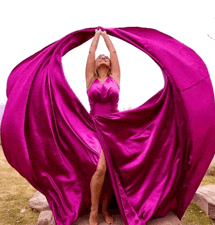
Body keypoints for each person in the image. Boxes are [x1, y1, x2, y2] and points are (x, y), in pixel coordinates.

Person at [85, 29, 120, 225]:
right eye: (101, 57)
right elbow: (91, 55)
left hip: (114, 127)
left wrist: (107, 35)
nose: (104, 57)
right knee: (100, 168)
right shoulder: (90, 79)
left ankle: (105, 209)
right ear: (96, 65)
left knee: (110, 172)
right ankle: (93, 211)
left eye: (106, 57)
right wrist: (96, 36)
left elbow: (113, 53)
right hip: (93, 127)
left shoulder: (115, 77)